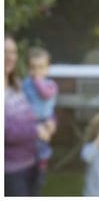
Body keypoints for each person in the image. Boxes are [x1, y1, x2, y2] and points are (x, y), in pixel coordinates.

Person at [4, 35, 50, 196]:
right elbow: (6, 132)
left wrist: (51, 121)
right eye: (4, 52)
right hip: (10, 171)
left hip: (32, 163)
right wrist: (36, 131)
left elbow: (37, 110)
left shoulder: (17, 84)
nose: (10, 57)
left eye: (13, 52)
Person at [22, 46, 58, 191]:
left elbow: (46, 95)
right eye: (33, 67)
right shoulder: (25, 84)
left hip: (46, 120)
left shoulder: (51, 85)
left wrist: (52, 123)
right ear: (28, 68)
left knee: (42, 148)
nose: (37, 71)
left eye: (41, 67)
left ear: (48, 69)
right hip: (29, 122)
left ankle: (41, 166)